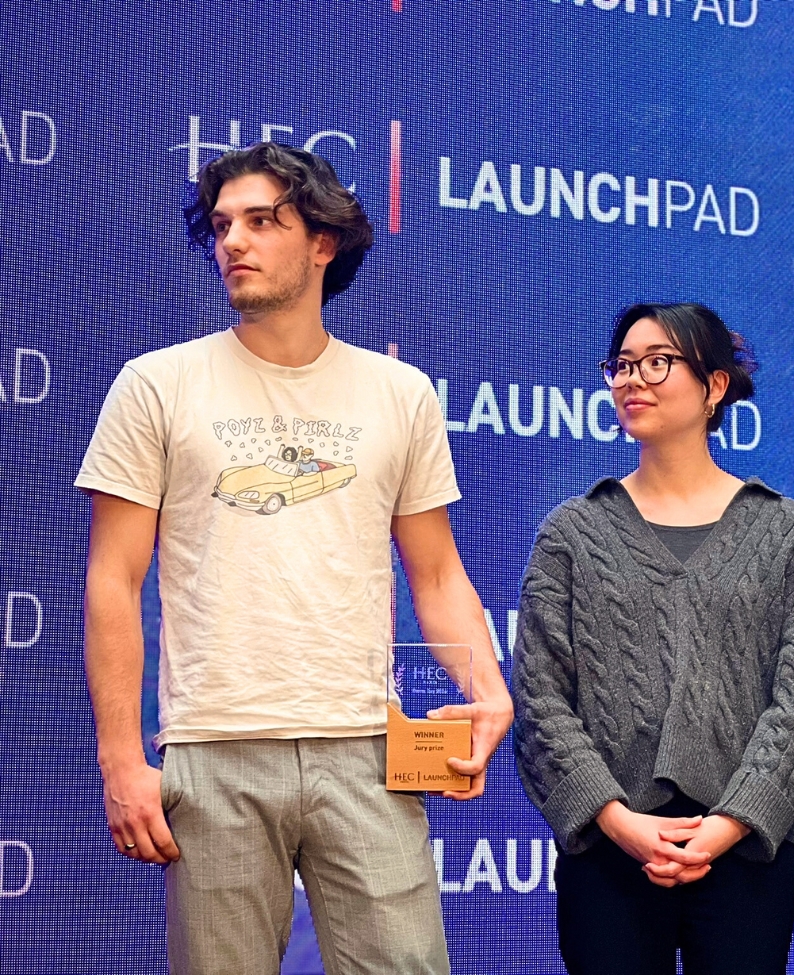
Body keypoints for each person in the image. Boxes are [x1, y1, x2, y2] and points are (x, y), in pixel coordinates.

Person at [77, 141, 513, 975]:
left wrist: (489, 689)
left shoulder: (401, 393)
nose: (233, 241)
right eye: (221, 226)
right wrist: (122, 760)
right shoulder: (155, 384)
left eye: (260, 221)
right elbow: (113, 579)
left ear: (322, 241)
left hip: (369, 748)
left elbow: (436, 571)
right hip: (215, 747)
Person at [511, 302, 794, 975]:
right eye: (622, 365)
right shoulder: (572, 532)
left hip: (746, 849)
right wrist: (616, 819)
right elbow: (541, 699)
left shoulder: (782, 530)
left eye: (657, 362)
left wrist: (729, 824)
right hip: (610, 850)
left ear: (715, 385)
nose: (633, 380)